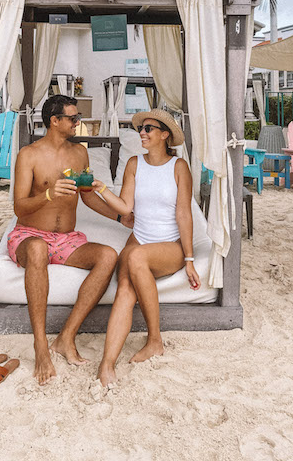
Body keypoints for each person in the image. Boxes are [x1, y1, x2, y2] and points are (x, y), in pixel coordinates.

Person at [11, 94, 130, 385]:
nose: (79, 122)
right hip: (30, 234)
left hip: (67, 239)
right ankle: (41, 346)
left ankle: (66, 337)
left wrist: (119, 217)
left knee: (107, 256)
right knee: (38, 249)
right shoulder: (29, 155)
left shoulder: (79, 154)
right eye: (73, 118)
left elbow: (87, 199)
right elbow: (19, 207)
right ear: (55, 120)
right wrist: (49, 194)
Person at [92, 109, 200, 386]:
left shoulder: (178, 167)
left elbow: (184, 214)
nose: (142, 132)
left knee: (135, 256)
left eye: (149, 128)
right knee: (125, 289)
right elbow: (126, 207)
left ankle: (155, 339)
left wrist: (188, 258)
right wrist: (102, 188)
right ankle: (107, 364)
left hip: (169, 246)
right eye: (140, 128)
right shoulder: (133, 164)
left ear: (165, 135)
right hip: (139, 238)